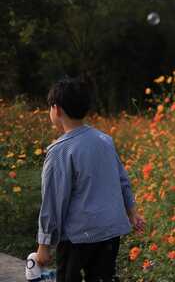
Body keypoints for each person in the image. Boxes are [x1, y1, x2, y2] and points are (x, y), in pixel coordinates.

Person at [35, 78, 145, 282]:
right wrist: (132, 213)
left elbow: (53, 202)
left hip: (78, 237)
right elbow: (123, 180)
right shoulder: (105, 141)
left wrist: (44, 245)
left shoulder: (59, 151)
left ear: (56, 110)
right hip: (110, 231)